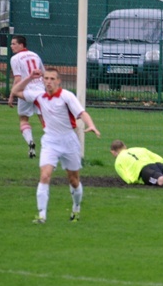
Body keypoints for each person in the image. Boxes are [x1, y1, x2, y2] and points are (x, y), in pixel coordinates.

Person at [11, 68, 100, 223]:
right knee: (45, 175)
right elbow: (15, 90)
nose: (49, 81)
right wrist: (30, 77)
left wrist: (91, 125)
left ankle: (76, 208)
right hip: (50, 141)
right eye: (46, 78)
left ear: (59, 81)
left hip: (69, 141)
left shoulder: (67, 96)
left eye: (52, 79)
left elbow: (82, 113)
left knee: (73, 180)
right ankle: (41, 215)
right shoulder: (39, 96)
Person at [8, 35, 45, 159]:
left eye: (14, 44)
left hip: (25, 92)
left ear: (21, 45)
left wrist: (12, 95)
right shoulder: (35, 55)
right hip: (39, 92)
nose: (11, 46)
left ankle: (30, 143)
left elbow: (18, 79)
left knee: (23, 120)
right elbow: (44, 74)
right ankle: (51, 147)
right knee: (44, 121)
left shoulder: (15, 58)